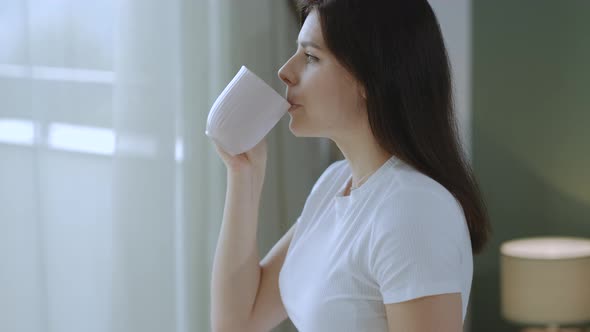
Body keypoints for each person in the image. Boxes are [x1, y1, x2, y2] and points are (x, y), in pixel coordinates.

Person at [210, 0, 492, 331]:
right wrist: (244, 174)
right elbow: (238, 322)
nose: (285, 70)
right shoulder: (334, 184)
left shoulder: (414, 210)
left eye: (311, 57)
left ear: (369, 77)